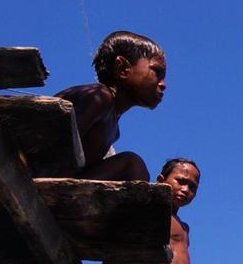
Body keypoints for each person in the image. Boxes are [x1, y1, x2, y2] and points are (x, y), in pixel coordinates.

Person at [49, 30, 167, 182]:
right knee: (131, 163)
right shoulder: (99, 98)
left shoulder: (114, 128)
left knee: (131, 165)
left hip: (63, 182)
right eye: (157, 72)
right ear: (123, 68)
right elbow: (53, 147)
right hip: (37, 177)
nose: (163, 84)